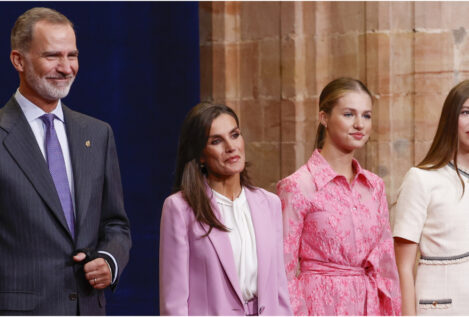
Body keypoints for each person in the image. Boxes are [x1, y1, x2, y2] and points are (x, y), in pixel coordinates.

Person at [0, 7, 131, 315]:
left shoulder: (98, 134)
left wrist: (110, 260)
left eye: (72, 55)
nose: (66, 67)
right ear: (18, 60)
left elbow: (115, 224)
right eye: (52, 56)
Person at [277, 77, 401, 315]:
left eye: (366, 116)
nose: (359, 124)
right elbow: (283, 269)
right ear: (324, 118)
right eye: (348, 114)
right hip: (319, 305)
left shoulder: (374, 186)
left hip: (368, 306)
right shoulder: (297, 186)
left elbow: (386, 266)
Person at [159, 102, 292, 315]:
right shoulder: (179, 208)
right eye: (216, 141)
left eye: (235, 135)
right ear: (200, 155)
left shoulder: (270, 204)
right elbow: (174, 302)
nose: (231, 147)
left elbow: (279, 289)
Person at [393, 80, 469, 315]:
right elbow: (402, 266)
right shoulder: (421, 179)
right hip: (441, 305)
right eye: (466, 112)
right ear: (450, 119)